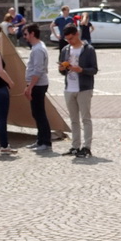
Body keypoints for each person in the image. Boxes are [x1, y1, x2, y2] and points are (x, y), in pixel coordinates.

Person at [59, 24, 97, 158]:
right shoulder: (65, 49)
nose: (69, 41)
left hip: (84, 88)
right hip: (69, 88)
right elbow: (61, 68)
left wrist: (81, 70)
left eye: (71, 38)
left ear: (77, 34)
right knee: (73, 119)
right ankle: (75, 146)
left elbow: (94, 70)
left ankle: (87, 147)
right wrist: (62, 69)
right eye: (67, 39)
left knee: (85, 118)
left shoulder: (89, 49)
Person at [22, 23, 52, 152]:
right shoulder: (36, 47)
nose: (25, 37)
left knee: (40, 114)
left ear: (32, 34)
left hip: (38, 85)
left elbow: (38, 71)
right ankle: (40, 140)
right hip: (36, 84)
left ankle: (46, 142)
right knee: (36, 113)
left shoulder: (38, 49)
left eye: (26, 34)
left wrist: (30, 87)